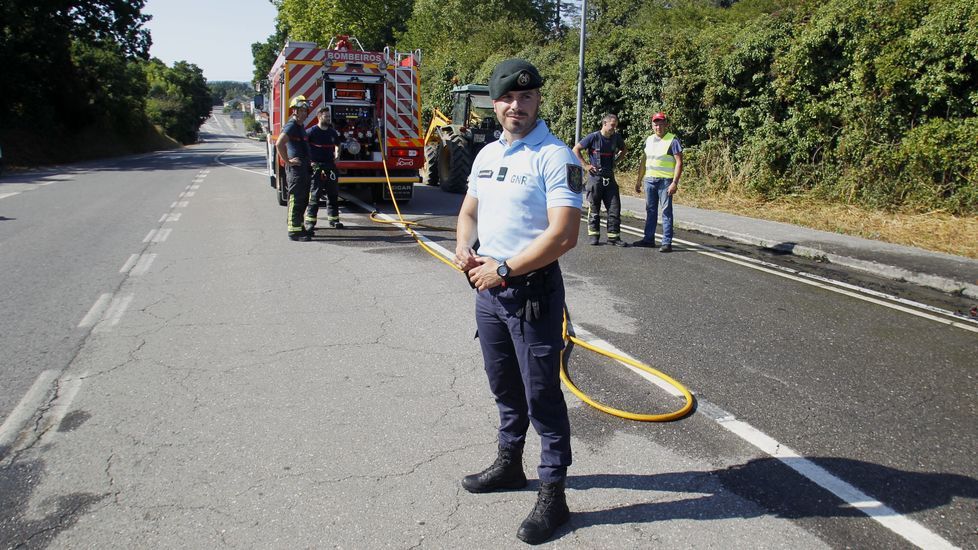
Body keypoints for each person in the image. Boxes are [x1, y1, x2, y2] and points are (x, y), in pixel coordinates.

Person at [454, 58, 583, 545]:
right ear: (494, 102)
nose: (516, 106)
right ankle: (510, 464)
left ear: (537, 102)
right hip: (488, 293)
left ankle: (554, 494)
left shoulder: (555, 156)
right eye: (507, 97)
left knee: (541, 396)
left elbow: (564, 235)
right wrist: (464, 246)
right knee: (504, 386)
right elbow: (469, 211)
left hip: (531, 294)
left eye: (525, 97)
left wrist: (504, 268)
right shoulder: (486, 154)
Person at [572, 113, 627, 246]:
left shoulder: (616, 138)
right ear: (604, 124)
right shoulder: (593, 137)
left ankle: (614, 237)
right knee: (594, 207)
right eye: (612, 125)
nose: (614, 128)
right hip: (595, 179)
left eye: (615, 126)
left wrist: (616, 162)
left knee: (614, 208)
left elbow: (624, 150)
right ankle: (594, 235)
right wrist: (586, 165)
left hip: (610, 178)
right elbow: (576, 149)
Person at [633, 112, 683, 252]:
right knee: (650, 211)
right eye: (656, 124)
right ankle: (648, 239)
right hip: (649, 180)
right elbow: (644, 161)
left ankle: (666, 242)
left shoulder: (672, 140)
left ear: (666, 125)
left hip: (665, 181)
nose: (658, 127)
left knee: (666, 212)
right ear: (652, 125)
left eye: (661, 124)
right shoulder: (649, 140)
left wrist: (675, 182)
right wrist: (639, 180)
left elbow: (679, 162)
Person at [275, 95, 313, 241]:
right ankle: (293, 231)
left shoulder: (300, 126)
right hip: (296, 170)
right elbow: (279, 143)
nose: (304, 113)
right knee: (296, 199)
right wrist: (288, 161)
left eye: (306, 110)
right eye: (301, 110)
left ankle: (299, 227)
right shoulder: (291, 125)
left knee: (303, 199)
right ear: (295, 111)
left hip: (303, 168)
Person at [307, 106, 343, 231]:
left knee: (333, 195)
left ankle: (334, 220)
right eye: (326, 116)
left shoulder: (332, 132)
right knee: (315, 195)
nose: (328, 118)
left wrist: (337, 155)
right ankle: (310, 222)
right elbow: (303, 146)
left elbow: (338, 144)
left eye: (329, 116)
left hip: (330, 167)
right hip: (316, 167)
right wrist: (309, 162)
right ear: (319, 116)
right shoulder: (311, 132)